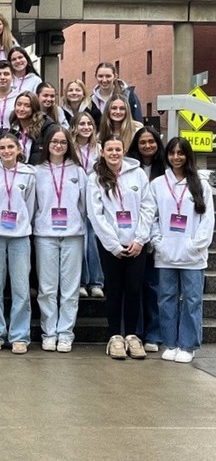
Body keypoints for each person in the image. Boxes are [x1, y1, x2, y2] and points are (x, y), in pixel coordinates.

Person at [87, 135, 154, 360]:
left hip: (136, 243)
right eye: (109, 150)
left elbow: (147, 207)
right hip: (110, 244)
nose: (114, 153)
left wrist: (140, 239)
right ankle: (115, 336)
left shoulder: (138, 175)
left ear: (123, 150)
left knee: (134, 289)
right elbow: (95, 214)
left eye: (118, 149)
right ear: (102, 152)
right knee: (114, 290)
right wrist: (113, 244)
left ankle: (132, 336)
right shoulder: (95, 178)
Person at [151, 137, 214, 364]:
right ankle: (170, 342)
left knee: (192, 300)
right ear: (166, 155)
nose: (176, 157)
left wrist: (196, 244)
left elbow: (207, 219)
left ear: (188, 155)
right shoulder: (157, 184)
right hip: (166, 254)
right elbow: (152, 216)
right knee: (166, 299)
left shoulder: (201, 184)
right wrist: (158, 242)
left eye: (181, 153)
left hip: (193, 255)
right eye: (172, 153)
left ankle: (188, 345)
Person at [0, 133, 36, 354]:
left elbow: (30, 205)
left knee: (21, 288)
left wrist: (23, 225)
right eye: (2, 147)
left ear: (19, 149)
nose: (6, 151)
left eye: (11, 147)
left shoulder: (28, 174)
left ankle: (20, 335)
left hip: (20, 236)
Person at [33, 126, 86, 353]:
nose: (58, 146)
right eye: (55, 141)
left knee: (70, 289)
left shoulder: (78, 172)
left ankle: (65, 333)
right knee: (46, 288)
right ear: (46, 144)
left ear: (69, 146)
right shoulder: (36, 171)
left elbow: (84, 206)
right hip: (45, 235)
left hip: (73, 235)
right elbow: (32, 204)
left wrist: (76, 222)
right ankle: (49, 332)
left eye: (63, 142)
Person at [127, 126, 166, 352]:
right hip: (135, 235)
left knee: (153, 287)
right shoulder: (129, 169)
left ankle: (154, 334)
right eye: (142, 142)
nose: (147, 146)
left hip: (158, 234)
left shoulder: (166, 169)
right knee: (135, 287)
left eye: (151, 141)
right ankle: (136, 333)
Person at [70, 112, 104, 298]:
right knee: (80, 242)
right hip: (74, 199)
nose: (86, 127)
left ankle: (96, 282)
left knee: (94, 241)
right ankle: (81, 282)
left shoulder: (99, 149)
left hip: (95, 198)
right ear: (74, 127)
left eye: (89, 123)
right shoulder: (69, 149)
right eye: (81, 123)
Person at [8, 90, 54, 165]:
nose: (21, 109)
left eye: (27, 106)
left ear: (34, 108)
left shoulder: (46, 128)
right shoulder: (13, 130)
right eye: (19, 104)